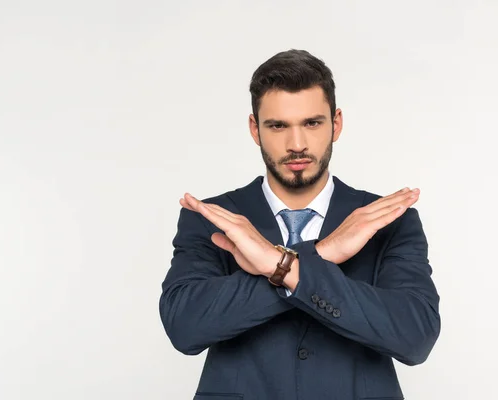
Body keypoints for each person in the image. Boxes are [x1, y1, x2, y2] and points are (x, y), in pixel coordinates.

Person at [159, 49, 441, 400]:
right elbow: (185, 328)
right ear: (255, 128)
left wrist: (282, 267)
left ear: (336, 123)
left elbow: (414, 336)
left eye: (312, 123)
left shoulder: (386, 219)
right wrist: (320, 255)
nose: (296, 145)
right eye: (278, 126)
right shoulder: (214, 218)